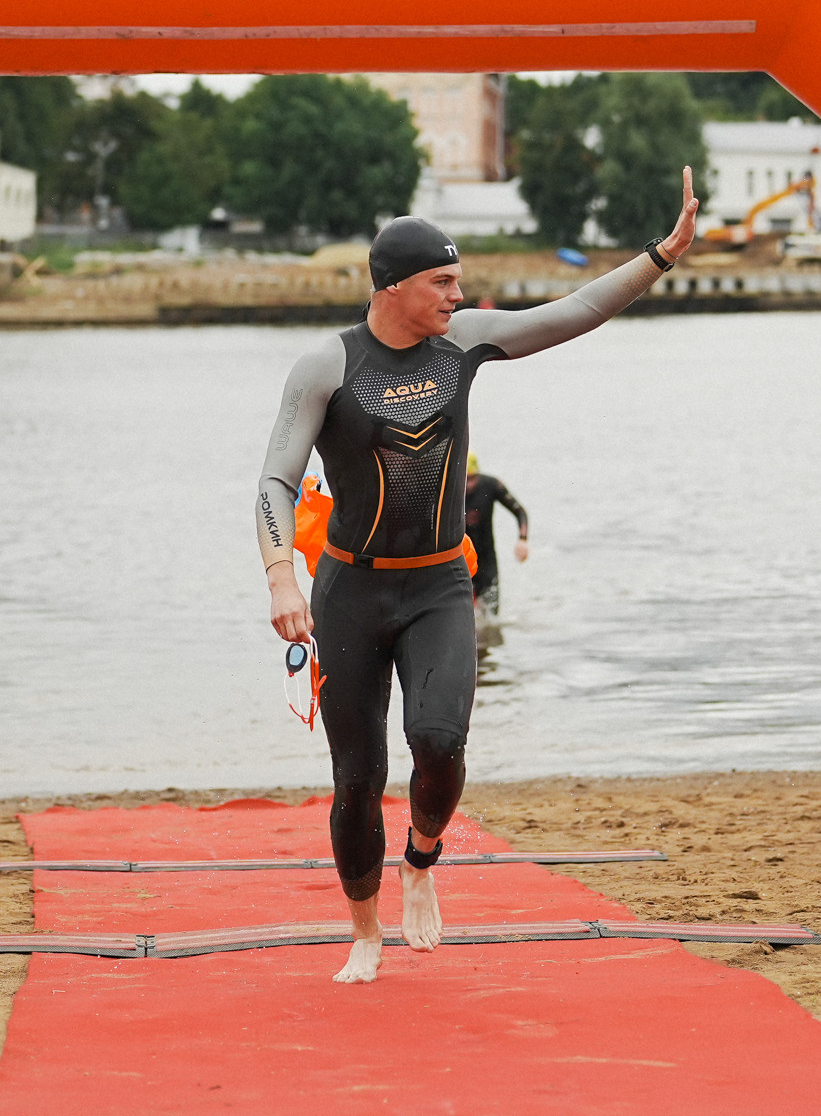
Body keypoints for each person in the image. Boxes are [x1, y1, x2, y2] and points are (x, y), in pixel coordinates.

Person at [255, 172, 698, 984]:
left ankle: (422, 861)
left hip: (437, 587)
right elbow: (275, 481)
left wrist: (660, 257)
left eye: (459, 281)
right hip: (349, 592)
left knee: (441, 742)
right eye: (444, 282)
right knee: (357, 778)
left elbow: (573, 312)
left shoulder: (461, 348)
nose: (461, 294)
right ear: (394, 287)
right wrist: (283, 579)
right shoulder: (325, 365)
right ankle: (364, 932)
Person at [461, 455, 529, 615]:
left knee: (491, 616)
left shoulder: (491, 485)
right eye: (465, 480)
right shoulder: (449, 491)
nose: (469, 485)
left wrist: (523, 539)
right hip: (462, 562)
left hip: (487, 561)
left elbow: (520, 511)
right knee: (465, 616)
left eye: (473, 479)